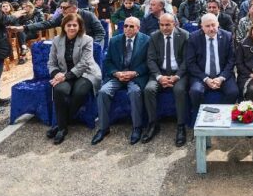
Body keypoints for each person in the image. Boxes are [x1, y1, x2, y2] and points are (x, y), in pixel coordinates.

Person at [92, 17, 150, 145]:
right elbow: (107, 62)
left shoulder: (146, 40)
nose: (127, 29)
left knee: (135, 92)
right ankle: (103, 128)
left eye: (131, 26)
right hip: (118, 75)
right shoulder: (114, 40)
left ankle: (137, 127)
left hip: (136, 76)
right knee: (103, 92)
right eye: (125, 26)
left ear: (138, 28)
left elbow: (148, 62)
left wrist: (134, 73)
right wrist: (116, 73)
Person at [46, 14, 102, 145]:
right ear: (64, 26)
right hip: (65, 73)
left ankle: (61, 125)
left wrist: (64, 76)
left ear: (79, 26)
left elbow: (84, 63)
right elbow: (51, 62)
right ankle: (62, 128)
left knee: (79, 92)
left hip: (86, 73)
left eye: (74, 25)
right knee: (59, 90)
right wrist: (56, 74)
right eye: (69, 25)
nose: (71, 27)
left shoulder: (87, 40)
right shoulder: (56, 40)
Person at [145, 13, 190, 146]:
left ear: (174, 24)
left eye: (167, 25)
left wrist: (177, 76)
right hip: (160, 72)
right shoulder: (154, 36)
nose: (164, 28)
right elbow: (151, 59)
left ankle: (181, 126)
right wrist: (159, 77)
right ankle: (153, 124)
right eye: (161, 25)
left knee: (180, 90)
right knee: (149, 89)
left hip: (179, 73)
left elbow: (187, 60)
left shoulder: (184, 35)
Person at [186, 13, 239, 107]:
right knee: (195, 91)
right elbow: (191, 63)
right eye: (207, 26)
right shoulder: (194, 37)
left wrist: (221, 78)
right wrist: (206, 79)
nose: (211, 29)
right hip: (201, 76)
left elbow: (231, 60)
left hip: (222, 75)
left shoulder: (227, 36)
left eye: (213, 25)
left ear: (218, 24)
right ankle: (198, 117)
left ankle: (220, 114)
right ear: (202, 27)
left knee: (233, 92)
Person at [14, 0, 106, 45]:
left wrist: (91, 44)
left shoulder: (88, 15)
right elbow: (47, 24)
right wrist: (24, 27)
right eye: (61, 7)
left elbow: (101, 33)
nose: (62, 10)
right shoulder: (63, 16)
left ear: (74, 8)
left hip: (90, 43)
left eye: (64, 8)